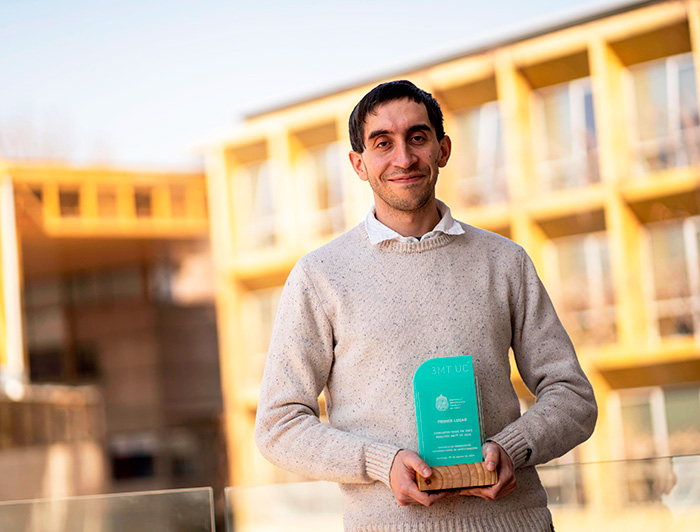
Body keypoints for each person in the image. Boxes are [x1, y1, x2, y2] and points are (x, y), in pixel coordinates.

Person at [254, 80, 597, 531]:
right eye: (383, 144)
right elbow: (278, 426)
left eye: (417, 138)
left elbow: (573, 397)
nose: (403, 158)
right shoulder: (320, 276)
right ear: (358, 164)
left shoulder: (504, 261)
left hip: (515, 524)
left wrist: (513, 447)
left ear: (443, 149)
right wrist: (381, 462)